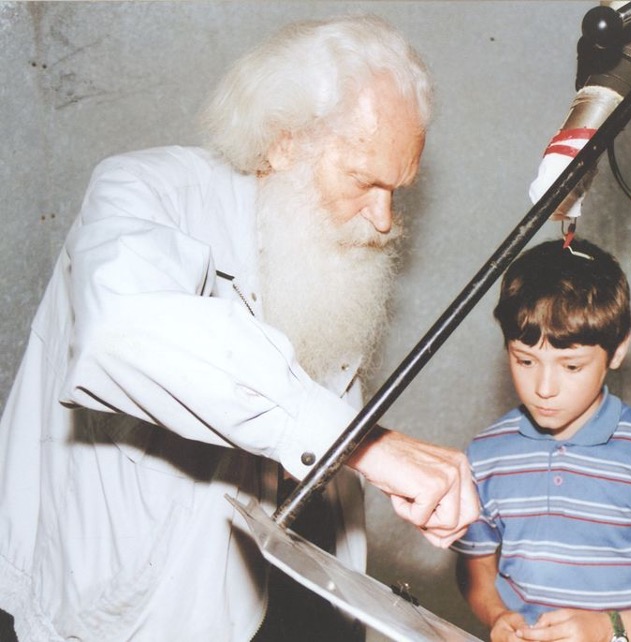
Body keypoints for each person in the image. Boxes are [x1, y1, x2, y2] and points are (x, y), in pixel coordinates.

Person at [0, 15, 479, 642]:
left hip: (260, 599)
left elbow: (299, 428)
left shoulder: (323, 247)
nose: (384, 219)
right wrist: (366, 446)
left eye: (398, 189)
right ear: (283, 143)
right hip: (120, 612)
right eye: (364, 181)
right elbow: (124, 330)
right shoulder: (143, 191)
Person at [452, 238, 631, 642]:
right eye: (525, 360)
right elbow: (477, 567)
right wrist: (498, 615)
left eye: (571, 366)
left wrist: (609, 629)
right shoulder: (486, 454)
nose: (544, 388)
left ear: (618, 350)